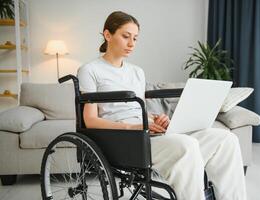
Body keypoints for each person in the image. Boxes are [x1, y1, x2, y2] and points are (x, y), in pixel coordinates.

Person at [77, 11, 247, 200]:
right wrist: (135, 127)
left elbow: (138, 109)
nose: (131, 44)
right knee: (186, 145)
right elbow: (90, 120)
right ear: (108, 35)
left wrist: (154, 119)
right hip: (123, 138)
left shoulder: (137, 72)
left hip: (147, 131)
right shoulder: (90, 70)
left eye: (135, 38)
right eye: (125, 36)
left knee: (226, 139)